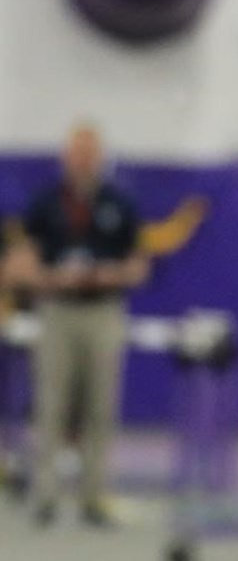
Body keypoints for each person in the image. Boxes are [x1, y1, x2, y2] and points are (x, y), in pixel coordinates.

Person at [9, 123, 148, 527]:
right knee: (51, 403)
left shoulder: (119, 202)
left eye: (90, 152)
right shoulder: (45, 202)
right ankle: (46, 494)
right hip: (57, 309)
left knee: (100, 406)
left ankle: (94, 495)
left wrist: (107, 275)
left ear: (100, 157)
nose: (83, 159)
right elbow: (20, 263)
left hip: (102, 310)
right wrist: (52, 278)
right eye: (76, 151)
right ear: (65, 157)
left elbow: (139, 266)